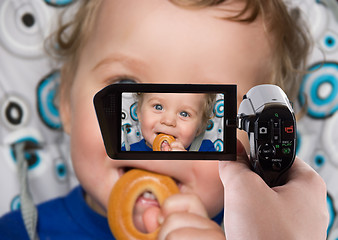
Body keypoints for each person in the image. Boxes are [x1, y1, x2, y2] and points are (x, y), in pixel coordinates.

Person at [0, 0, 329, 239]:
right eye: (126, 87)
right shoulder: (19, 232)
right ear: (65, 103)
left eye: (208, 104)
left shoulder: (259, 233)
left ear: (255, 145)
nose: (164, 125)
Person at [122, 92, 216, 151]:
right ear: (139, 111)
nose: (168, 121)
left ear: (200, 127)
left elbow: (215, 182)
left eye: (184, 114)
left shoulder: (206, 152)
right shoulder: (126, 154)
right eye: (158, 107)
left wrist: (186, 165)